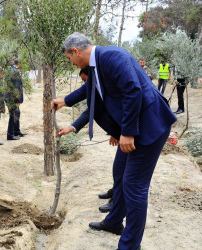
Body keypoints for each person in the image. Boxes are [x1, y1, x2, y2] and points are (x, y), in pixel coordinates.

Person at [52, 32, 177, 250]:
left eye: (69, 58)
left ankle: (129, 245)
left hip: (148, 127)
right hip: (135, 128)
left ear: (75, 51)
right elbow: (89, 88)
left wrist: (127, 132)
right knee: (120, 172)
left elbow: (133, 91)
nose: (70, 63)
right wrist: (65, 100)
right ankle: (114, 222)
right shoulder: (96, 65)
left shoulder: (111, 57)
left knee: (135, 186)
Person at [59, 67, 114, 213]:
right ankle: (116, 192)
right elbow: (85, 98)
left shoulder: (106, 85)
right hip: (122, 131)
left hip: (131, 132)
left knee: (123, 170)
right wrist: (64, 102)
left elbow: (92, 110)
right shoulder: (96, 84)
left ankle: (116, 201)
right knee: (119, 168)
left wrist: (121, 132)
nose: (85, 84)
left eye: (85, 80)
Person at [5, 60, 27, 140]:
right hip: (12, 98)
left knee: (17, 113)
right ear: (20, 63)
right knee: (13, 115)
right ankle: (10, 135)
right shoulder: (15, 72)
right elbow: (16, 87)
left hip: (9, 97)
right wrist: (18, 100)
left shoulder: (11, 70)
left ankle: (16, 131)